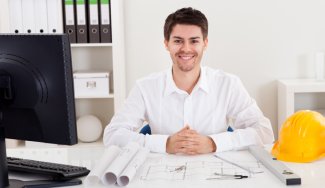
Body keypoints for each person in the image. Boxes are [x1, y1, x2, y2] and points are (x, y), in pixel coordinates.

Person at [103, 7, 274, 155]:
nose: (186, 49)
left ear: (205, 44)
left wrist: (214, 143)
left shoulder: (228, 84)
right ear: (166, 44)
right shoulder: (145, 87)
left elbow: (264, 133)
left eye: (194, 41)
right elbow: (112, 135)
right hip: (160, 176)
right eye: (178, 41)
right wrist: (165, 144)